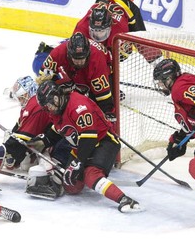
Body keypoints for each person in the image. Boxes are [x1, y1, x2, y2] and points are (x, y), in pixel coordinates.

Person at [36, 80, 142, 213]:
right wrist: (43, 141)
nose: (50, 108)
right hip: (82, 146)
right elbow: (59, 129)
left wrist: (78, 162)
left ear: (58, 95)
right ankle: (94, 180)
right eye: (47, 106)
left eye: (52, 102)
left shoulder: (78, 106)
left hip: (104, 142)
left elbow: (89, 137)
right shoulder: (56, 111)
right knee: (71, 185)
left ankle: (125, 200)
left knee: (90, 175)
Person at [153, 59, 195, 232]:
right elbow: (194, 121)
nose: (160, 86)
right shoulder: (183, 85)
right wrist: (177, 141)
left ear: (170, 78)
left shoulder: (179, 87)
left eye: (161, 81)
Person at [0, 76, 70, 199]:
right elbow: (19, 131)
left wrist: (0, 152)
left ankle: (50, 177)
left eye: (21, 96)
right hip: (54, 134)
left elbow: (23, 138)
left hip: (62, 139)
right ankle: (18, 159)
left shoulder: (36, 105)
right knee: (13, 139)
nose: (20, 100)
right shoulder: (32, 102)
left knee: (41, 158)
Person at [73, 0, 162, 65]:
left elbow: (123, 56)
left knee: (141, 41)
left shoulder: (119, 30)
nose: (98, 35)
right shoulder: (81, 27)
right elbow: (72, 50)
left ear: (110, 27)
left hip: (128, 10)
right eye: (95, 31)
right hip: (104, 2)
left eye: (101, 32)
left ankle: (160, 64)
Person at [37, 32, 116, 119]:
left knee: (95, 108)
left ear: (88, 54)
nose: (79, 62)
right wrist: (55, 87)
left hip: (105, 66)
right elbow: (43, 75)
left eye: (82, 58)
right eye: (76, 58)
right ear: (68, 54)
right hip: (75, 70)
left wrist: (108, 116)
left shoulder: (97, 61)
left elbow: (104, 98)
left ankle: (115, 90)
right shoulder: (59, 52)